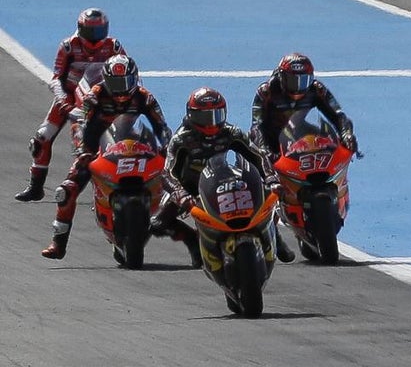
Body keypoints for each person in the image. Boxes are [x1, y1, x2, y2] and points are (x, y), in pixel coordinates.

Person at [42, 55, 171, 260]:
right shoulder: (95, 96)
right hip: (96, 147)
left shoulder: (144, 97)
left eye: (126, 82)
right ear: (106, 80)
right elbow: (81, 125)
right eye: (116, 83)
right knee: (67, 190)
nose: (121, 89)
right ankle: (58, 242)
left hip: (134, 143)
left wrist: (166, 148)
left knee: (177, 179)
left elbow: (161, 127)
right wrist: (82, 151)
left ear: (134, 79)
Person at [150, 87, 284, 268]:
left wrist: (270, 178)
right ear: (191, 115)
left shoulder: (231, 132)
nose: (211, 123)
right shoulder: (181, 139)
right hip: (190, 186)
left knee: (267, 194)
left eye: (216, 115)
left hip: (223, 179)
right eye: (204, 117)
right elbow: (167, 172)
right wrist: (179, 192)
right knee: (158, 224)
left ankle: (273, 234)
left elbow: (257, 156)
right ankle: (192, 239)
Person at [250, 53, 359, 263]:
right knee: (264, 185)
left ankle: (336, 196)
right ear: (281, 77)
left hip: (302, 137)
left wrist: (346, 134)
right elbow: (257, 125)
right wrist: (264, 150)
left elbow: (338, 115)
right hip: (273, 142)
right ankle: (274, 235)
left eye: (304, 80)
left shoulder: (316, 89)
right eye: (293, 80)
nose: (299, 86)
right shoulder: (266, 92)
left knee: (339, 151)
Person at [15, 8, 126, 203]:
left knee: (116, 141)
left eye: (99, 31)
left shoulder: (113, 46)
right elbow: (56, 78)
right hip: (69, 97)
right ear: (80, 29)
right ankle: (36, 187)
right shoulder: (68, 46)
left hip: (99, 99)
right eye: (90, 31)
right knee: (42, 138)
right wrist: (62, 101)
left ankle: (114, 186)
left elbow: (126, 69)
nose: (95, 37)